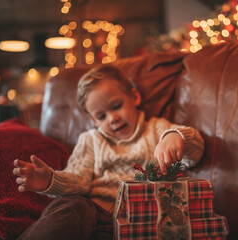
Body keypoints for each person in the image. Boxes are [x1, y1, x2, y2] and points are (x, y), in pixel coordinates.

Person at [12, 65, 204, 240]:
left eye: (116, 106)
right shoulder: (90, 140)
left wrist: (176, 136)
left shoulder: (157, 129)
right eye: (101, 116)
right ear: (94, 121)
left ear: (134, 97)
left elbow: (194, 155)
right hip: (94, 213)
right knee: (71, 207)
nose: (112, 119)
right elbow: (77, 181)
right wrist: (51, 181)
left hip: (142, 221)